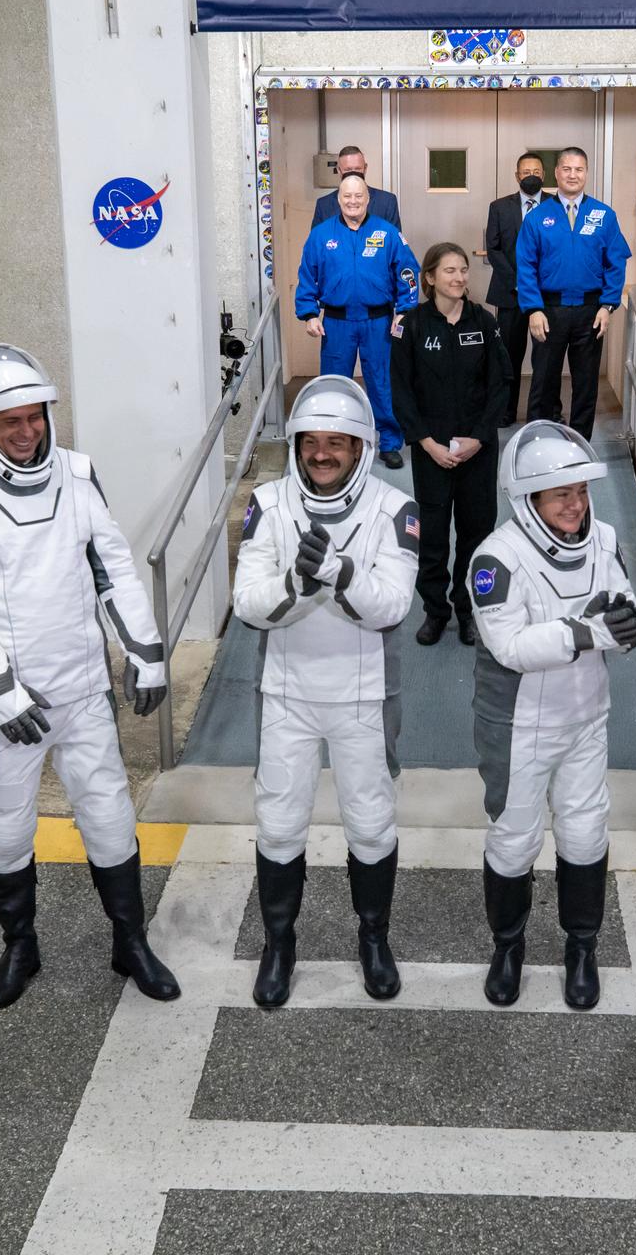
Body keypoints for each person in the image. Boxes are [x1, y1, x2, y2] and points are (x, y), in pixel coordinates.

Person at [0, 343, 178, 1012]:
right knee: (5, 834)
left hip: (84, 689)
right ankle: (19, 946)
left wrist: (145, 652)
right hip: (9, 707)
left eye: (34, 416)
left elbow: (114, 565)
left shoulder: (77, 473)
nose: (27, 430)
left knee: (112, 821)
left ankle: (130, 940)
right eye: (11, 421)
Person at [231, 375, 420, 1008]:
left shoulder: (396, 510)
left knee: (371, 825)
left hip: (364, 696)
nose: (322, 453)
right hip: (287, 693)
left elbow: (392, 606)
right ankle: (279, 943)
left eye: (337, 442)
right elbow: (249, 604)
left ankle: (373, 938)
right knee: (280, 826)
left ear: (362, 445)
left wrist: (339, 572)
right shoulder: (269, 503)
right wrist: (301, 584)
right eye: (311, 441)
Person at [467, 422, 636, 1010]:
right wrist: (590, 630)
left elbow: (623, 598)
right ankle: (509, 946)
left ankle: (582, 947)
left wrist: (628, 622)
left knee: (585, 832)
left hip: (586, 715)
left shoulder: (605, 538)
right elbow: (510, 646)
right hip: (519, 726)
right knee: (515, 839)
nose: (575, 503)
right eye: (560, 493)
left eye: (581, 491)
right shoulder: (495, 559)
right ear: (528, 499)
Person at [391, 241, 510, 648]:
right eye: (449, 271)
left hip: (478, 449)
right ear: (429, 278)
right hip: (433, 453)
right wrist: (427, 443)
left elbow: (501, 385)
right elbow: (401, 392)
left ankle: (469, 609)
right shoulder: (411, 325)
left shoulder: (485, 322)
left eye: (463, 270)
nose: (459, 277)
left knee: (478, 534)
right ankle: (435, 611)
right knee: (434, 537)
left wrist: (478, 438)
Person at [298, 172, 420, 469]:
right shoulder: (321, 235)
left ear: (368, 199)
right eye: (347, 196)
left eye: (359, 196)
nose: (353, 202)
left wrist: (404, 310)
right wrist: (309, 313)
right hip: (337, 324)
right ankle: (335, 443)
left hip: (378, 322)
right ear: (338, 200)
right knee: (334, 385)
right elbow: (307, 275)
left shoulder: (387, 233)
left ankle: (389, 442)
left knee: (382, 383)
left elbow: (408, 273)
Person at [515, 147, 630, 440]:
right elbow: (525, 266)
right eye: (566, 169)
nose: (572, 175)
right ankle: (537, 442)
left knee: (586, 382)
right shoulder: (538, 217)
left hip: (591, 312)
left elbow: (616, 263)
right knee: (543, 381)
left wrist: (608, 305)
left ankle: (580, 443)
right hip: (548, 311)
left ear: (587, 173)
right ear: (556, 173)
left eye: (579, 169)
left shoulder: (604, 215)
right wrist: (533, 309)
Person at [483, 153, 548, 424]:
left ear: (544, 176)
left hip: (546, 296)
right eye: (525, 171)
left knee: (545, 357)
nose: (530, 175)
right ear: (517, 176)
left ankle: (544, 411)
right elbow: (494, 248)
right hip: (510, 294)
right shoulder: (499, 207)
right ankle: (506, 410)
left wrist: (535, 283)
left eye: (536, 171)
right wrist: (519, 281)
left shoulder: (556, 206)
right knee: (508, 355)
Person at [311, 145, 401, 229]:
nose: (353, 173)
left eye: (358, 169)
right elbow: (315, 243)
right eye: (348, 169)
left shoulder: (387, 201)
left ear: (365, 169)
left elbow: (396, 243)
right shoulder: (324, 205)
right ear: (339, 170)